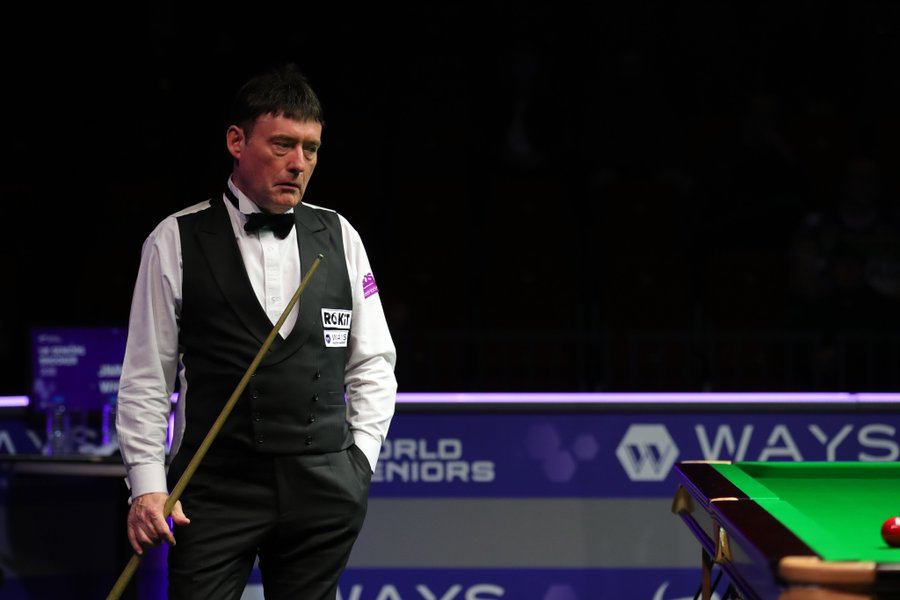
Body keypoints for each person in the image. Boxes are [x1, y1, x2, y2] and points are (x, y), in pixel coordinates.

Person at [115, 62, 398, 599]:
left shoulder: (339, 235)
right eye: (282, 145)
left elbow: (374, 363)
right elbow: (146, 378)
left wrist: (359, 462)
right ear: (236, 141)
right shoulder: (175, 239)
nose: (298, 163)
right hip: (214, 492)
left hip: (322, 490)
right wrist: (147, 486)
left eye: (311, 149)